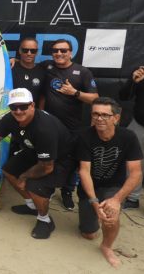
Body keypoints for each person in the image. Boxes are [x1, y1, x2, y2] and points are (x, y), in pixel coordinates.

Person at [0, 88, 77, 239]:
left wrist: (24, 177)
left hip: (60, 158)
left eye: (23, 106)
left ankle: (45, 220)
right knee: (8, 171)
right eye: (14, 107)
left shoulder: (44, 128)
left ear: (32, 105)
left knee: (35, 187)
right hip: (35, 151)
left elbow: (47, 167)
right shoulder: (11, 118)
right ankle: (32, 206)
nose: (18, 111)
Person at [78, 97, 143, 268]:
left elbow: (136, 172)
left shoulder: (128, 137)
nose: (99, 118)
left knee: (111, 217)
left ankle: (107, 246)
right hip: (90, 187)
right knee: (88, 234)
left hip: (113, 186)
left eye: (105, 115)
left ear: (116, 118)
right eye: (96, 114)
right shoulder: (84, 136)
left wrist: (116, 200)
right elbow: (84, 171)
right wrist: (93, 202)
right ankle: (93, 224)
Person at [41, 38, 99, 210]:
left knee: (72, 161)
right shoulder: (47, 67)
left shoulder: (82, 72)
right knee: (50, 157)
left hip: (73, 127)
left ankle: (67, 192)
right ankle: (49, 188)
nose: (59, 53)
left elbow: (94, 99)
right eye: (56, 50)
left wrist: (75, 92)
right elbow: (42, 93)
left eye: (63, 50)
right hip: (50, 126)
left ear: (70, 52)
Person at [119, 65, 144, 209]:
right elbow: (124, 96)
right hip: (140, 124)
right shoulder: (142, 71)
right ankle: (132, 197)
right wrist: (133, 81)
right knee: (134, 163)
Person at [12, 37, 46, 105]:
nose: (29, 53)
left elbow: (42, 96)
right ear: (20, 51)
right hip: (13, 111)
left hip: (33, 112)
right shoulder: (10, 67)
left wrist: (41, 111)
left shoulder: (42, 71)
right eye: (25, 50)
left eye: (33, 51)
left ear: (37, 52)